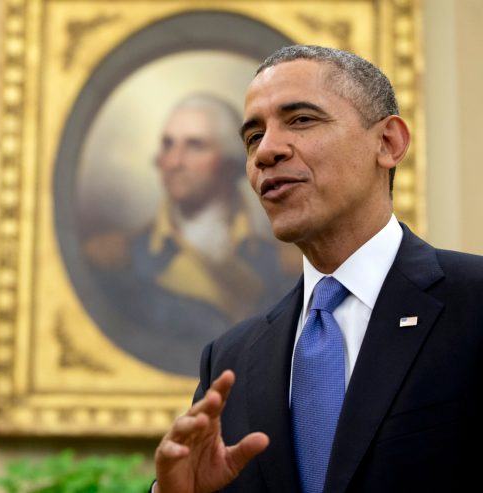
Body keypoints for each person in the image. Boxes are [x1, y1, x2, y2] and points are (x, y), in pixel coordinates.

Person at [153, 44, 483, 493]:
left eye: (301, 120)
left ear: (388, 143)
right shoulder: (231, 358)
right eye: (252, 138)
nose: (266, 151)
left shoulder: (473, 302)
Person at [82, 93, 298, 376]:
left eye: (194, 146)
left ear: (231, 163)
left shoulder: (287, 265)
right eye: (168, 145)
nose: (174, 161)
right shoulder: (114, 259)